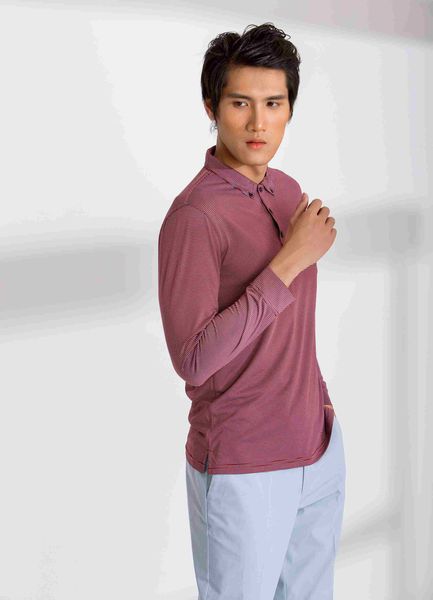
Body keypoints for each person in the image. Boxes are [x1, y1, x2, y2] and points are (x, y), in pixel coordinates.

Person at [157, 21, 346, 600]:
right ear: (211, 107)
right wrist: (289, 262)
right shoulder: (195, 217)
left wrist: (319, 404)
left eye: (274, 103)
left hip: (317, 448)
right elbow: (193, 359)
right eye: (240, 103)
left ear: (290, 108)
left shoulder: (286, 191)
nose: (258, 123)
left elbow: (289, 328)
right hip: (244, 464)